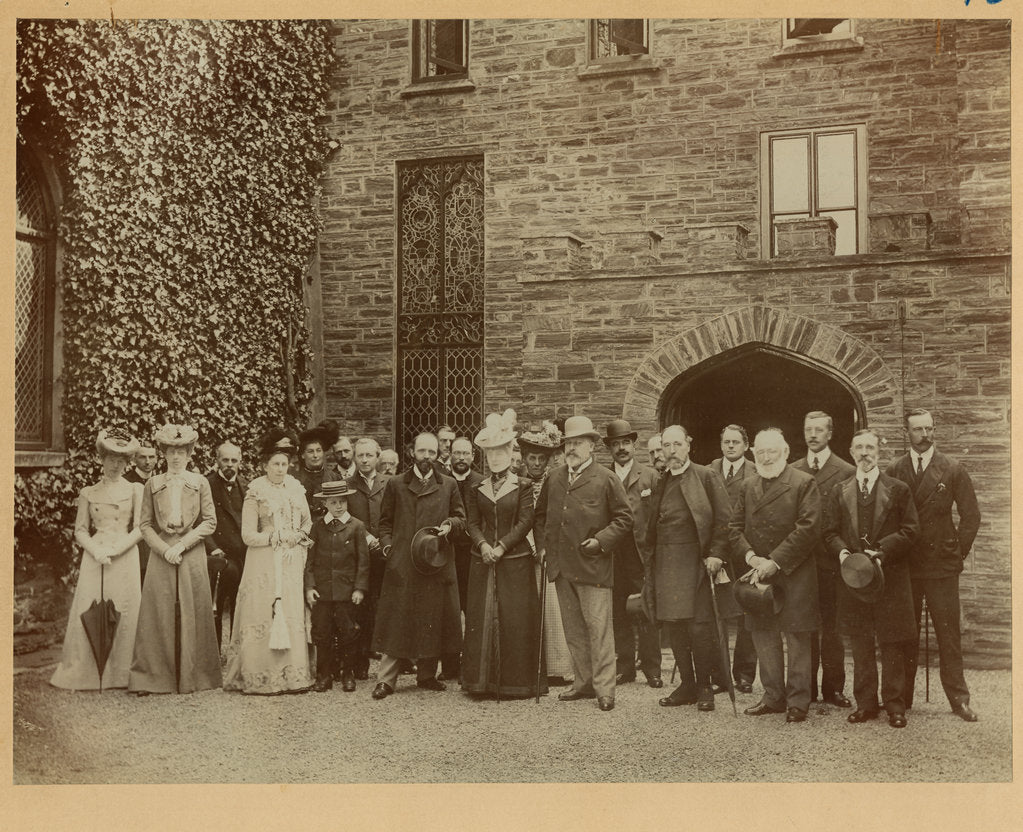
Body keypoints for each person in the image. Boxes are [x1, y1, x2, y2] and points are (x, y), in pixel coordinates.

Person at [887, 408, 981, 722]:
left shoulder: (953, 468)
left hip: (941, 564)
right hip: (907, 566)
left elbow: (971, 517)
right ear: (906, 432)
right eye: (917, 429)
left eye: (929, 429)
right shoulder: (895, 469)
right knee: (905, 632)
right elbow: (888, 519)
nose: (925, 435)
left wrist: (956, 553)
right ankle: (902, 698)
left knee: (948, 634)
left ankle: (959, 699)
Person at [534, 415, 633, 712]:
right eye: (569, 443)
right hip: (561, 567)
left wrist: (601, 541)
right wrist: (542, 547)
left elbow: (624, 518)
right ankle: (583, 683)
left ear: (591, 445)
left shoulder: (606, 478)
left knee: (599, 629)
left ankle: (605, 690)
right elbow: (540, 517)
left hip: (593, 566)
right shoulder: (555, 477)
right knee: (574, 630)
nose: (572, 448)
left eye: (578, 443)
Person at [824, 429, 919, 728]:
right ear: (851, 452)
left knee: (892, 641)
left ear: (879, 451)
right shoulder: (840, 491)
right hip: (854, 579)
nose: (865, 453)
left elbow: (911, 530)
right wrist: (842, 554)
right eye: (859, 448)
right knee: (861, 641)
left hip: (890, 577)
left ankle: (895, 705)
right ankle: (865, 704)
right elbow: (829, 533)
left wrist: (882, 551)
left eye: (870, 447)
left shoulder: (899, 489)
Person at [729, 428, 820, 723]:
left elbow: (808, 529)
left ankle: (797, 701)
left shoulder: (803, 482)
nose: (767, 457)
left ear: (785, 453)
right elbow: (733, 528)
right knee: (763, 634)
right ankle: (773, 697)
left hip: (794, 571)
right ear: (754, 453)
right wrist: (751, 557)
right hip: (758, 572)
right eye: (761, 452)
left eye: (773, 451)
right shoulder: (747, 485)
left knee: (796, 637)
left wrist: (775, 561)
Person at [370, 432, 466, 699]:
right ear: (412, 452)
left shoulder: (447, 485)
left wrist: (450, 526)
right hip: (402, 563)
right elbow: (385, 522)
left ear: (438, 455)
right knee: (396, 620)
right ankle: (386, 680)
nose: (426, 457)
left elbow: (461, 518)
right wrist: (389, 548)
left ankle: (426, 675)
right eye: (422, 451)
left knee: (431, 617)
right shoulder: (397, 484)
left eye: (432, 453)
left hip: (435, 561)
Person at [644, 425, 732, 711]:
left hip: (697, 563)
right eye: (666, 446)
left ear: (688, 445)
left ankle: (705, 685)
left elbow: (724, 520)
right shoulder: (661, 482)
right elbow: (652, 527)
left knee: (699, 628)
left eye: (677, 444)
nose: (671, 451)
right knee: (674, 627)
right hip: (667, 565)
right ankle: (687, 685)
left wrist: (717, 553)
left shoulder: (707, 476)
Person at [129, 424, 221, 695]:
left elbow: (210, 522)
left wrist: (182, 544)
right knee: (157, 611)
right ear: (164, 454)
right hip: (162, 552)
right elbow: (144, 525)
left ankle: (195, 676)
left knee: (194, 609)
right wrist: (163, 548)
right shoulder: (153, 484)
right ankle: (152, 677)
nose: (176, 457)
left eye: (182, 452)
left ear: (190, 454)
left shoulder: (200, 482)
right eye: (171, 452)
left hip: (191, 550)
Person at [51, 429, 144, 690]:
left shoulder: (136, 490)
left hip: (124, 555)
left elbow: (140, 528)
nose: (115, 464)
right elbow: (80, 530)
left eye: (121, 460)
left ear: (127, 463)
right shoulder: (88, 492)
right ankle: (87, 671)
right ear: (101, 459)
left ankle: (121, 673)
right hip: (96, 556)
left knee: (124, 609)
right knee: (90, 607)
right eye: (111, 458)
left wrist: (116, 549)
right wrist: (96, 550)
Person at [223, 430, 314, 695]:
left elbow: (307, 522)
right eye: (275, 464)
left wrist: (298, 535)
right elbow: (248, 535)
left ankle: (292, 676)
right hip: (263, 560)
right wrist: (274, 536)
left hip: (290, 561)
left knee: (291, 613)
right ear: (265, 465)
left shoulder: (296, 488)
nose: (280, 469)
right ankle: (260, 677)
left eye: (284, 464)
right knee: (264, 613)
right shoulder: (256, 491)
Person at [462, 410, 545, 698]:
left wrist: (501, 546)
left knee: (514, 619)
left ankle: (515, 684)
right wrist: (484, 545)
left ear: (511, 453)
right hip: (483, 560)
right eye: (490, 452)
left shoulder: (522, 486)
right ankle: (481, 682)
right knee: (482, 618)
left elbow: (525, 521)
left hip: (514, 561)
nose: (495, 457)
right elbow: (472, 522)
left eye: (501, 451)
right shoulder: (476, 487)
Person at [792, 411, 855, 708]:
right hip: (800, 563)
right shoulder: (792, 469)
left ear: (830, 434)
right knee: (804, 627)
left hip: (830, 562)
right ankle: (804, 688)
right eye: (808, 429)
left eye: (819, 430)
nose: (813, 435)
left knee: (831, 627)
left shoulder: (845, 470)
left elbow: (849, 519)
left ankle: (833, 689)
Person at [602, 419, 663, 689]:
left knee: (647, 610)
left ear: (634, 444)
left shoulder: (650, 476)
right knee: (618, 612)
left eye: (625, 442)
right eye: (616, 444)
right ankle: (625, 667)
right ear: (610, 449)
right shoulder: (603, 477)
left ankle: (652, 668)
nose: (621, 448)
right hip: (614, 555)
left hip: (641, 553)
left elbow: (661, 517)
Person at [520, 421, 574, 686]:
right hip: (522, 551)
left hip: (548, 552)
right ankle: (529, 665)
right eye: (532, 458)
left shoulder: (554, 482)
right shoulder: (518, 484)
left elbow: (551, 518)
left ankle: (555, 667)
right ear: (524, 459)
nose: (537, 464)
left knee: (553, 609)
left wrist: (545, 547)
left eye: (542, 459)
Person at [707, 424, 758, 693]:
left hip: (743, 550)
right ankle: (719, 674)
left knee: (747, 612)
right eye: (726, 442)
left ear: (746, 445)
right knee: (717, 614)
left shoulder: (755, 471)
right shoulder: (709, 469)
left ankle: (745, 674)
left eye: (736, 442)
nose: (730, 446)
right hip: (717, 551)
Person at [305, 481, 370, 693]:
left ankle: (347, 673)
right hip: (322, 592)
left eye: (342, 501)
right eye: (334, 502)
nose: (339, 506)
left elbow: (363, 562)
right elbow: (310, 561)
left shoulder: (356, 526)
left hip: (346, 592)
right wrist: (309, 587)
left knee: (348, 632)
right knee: (322, 633)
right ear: (326, 503)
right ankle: (324, 675)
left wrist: (359, 588)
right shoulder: (317, 527)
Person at [346, 437, 390, 680]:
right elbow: (347, 519)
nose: (364, 460)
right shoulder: (348, 485)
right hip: (359, 556)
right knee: (360, 608)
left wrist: (385, 543)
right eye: (360, 455)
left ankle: (394, 661)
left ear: (378, 456)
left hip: (385, 555)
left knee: (387, 606)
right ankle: (359, 663)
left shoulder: (390, 483)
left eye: (369, 455)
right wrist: (366, 539)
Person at [204, 441, 248, 648]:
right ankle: (213, 653)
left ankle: (234, 652)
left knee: (240, 605)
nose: (229, 464)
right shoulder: (206, 484)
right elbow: (198, 519)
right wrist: (212, 547)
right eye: (225, 460)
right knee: (215, 607)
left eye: (233, 460)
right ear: (217, 461)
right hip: (216, 555)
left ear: (240, 462)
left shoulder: (246, 485)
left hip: (241, 555)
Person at [123, 443, 157, 586]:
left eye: (151, 457)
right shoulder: (126, 481)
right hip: (135, 540)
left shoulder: (161, 480)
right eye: (143, 457)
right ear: (134, 459)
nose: (148, 461)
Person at [292, 426, 341, 520]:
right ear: (302, 455)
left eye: (318, 451)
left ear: (323, 453)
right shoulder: (295, 480)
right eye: (310, 452)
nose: (315, 455)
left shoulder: (335, 478)